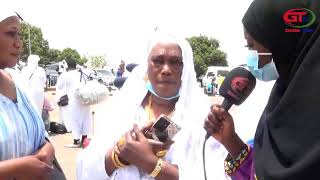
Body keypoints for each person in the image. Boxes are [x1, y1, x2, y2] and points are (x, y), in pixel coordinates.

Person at [77, 34, 229, 180]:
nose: (166, 69)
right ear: (146, 66)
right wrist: (119, 157)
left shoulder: (202, 118)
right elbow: (85, 168)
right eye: (158, 61)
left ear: (185, 68)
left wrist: (151, 164)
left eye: (175, 62)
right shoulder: (120, 109)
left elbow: (214, 174)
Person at [204, 0, 320, 179]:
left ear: (282, 41)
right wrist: (231, 142)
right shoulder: (284, 98)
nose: (251, 57)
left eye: (251, 45)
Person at [0, 10, 55, 179]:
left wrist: (47, 151)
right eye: (11, 33)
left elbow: (41, 136)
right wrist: (13, 169)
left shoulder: (17, 81)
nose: (19, 43)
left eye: (19, 35)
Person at [56, 59, 92, 148]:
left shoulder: (66, 75)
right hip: (85, 99)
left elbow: (60, 86)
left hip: (74, 101)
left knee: (75, 120)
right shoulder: (82, 73)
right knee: (85, 119)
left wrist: (64, 72)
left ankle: (76, 141)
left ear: (67, 66)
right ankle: (84, 140)